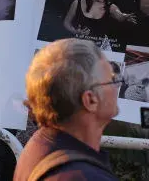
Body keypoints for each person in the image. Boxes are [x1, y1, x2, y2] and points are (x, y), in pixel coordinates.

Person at [14, 39, 119, 181]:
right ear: (91, 100)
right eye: (112, 80)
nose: (117, 86)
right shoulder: (84, 176)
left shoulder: (40, 143)